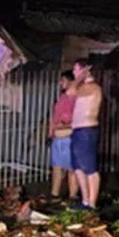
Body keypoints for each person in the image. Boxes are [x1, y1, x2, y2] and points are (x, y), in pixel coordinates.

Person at [70, 58, 102, 210]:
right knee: (78, 167)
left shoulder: (92, 87)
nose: (73, 73)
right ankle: (85, 200)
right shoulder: (84, 87)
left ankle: (92, 202)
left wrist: (81, 76)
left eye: (76, 69)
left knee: (90, 168)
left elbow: (71, 91)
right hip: (78, 130)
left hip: (86, 130)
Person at [48, 70, 79, 203]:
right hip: (59, 136)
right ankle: (55, 194)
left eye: (63, 80)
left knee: (71, 168)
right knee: (57, 167)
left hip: (68, 136)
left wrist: (65, 124)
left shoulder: (75, 99)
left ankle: (72, 195)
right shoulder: (63, 98)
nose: (61, 83)